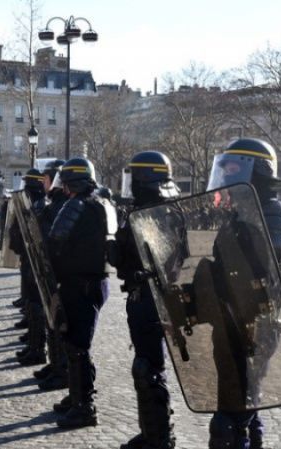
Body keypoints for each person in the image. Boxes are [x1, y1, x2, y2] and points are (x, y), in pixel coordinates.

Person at [204, 138, 281, 449]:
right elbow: (223, 266)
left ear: (254, 170)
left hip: (256, 323)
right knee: (244, 404)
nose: (227, 175)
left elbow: (267, 263)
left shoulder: (274, 212)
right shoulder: (239, 213)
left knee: (231, 417)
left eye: (233, 168)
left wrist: (243, 231)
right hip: (230, 318)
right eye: (225, 168)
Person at [112, 151, 180, 449]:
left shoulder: (162, 214)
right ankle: (152, 431)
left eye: (135, 179)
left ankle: (160, 436)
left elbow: (165, 259)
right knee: (144, 366)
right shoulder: (148, 211)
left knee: (149, 368)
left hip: (153, 298)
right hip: (140, 296)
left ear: (146, 180)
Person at [48, 157, 116, 429]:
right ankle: (77, 395)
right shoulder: (104, 205)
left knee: (77, 346)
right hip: (96, 282)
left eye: (64, 183)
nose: (62, 189)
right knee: (76, 344)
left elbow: (55, 243)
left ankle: (84, 405)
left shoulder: (75, 206)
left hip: (79, 283)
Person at [34, 159, 70, 391]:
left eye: (46, 179)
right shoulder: (55, 204)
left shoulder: (61, 207)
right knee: (52, 322)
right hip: (54, 274)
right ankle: (56, 365)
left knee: (61, 325)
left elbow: (54, 242)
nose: (44, 184)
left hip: (63, 276)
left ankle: (62, 369)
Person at [9, 169, 49, 367]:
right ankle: (34, 344)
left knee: (36, 304)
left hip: (35, 258)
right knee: (32, 304)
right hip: (28, 256)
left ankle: (38, 348)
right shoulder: (33, 202)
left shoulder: (39, 204)